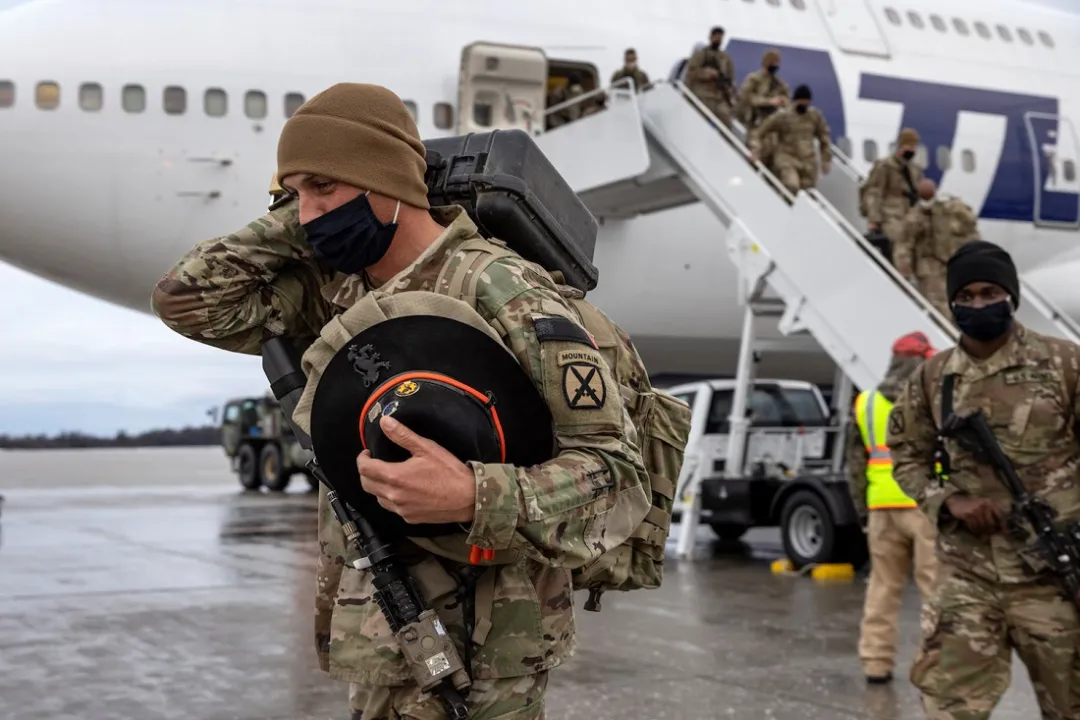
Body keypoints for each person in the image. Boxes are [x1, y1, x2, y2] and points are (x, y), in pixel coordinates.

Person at [151, 82, 653, 719]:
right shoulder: (336, 295)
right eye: (293, 194)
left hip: (485, 654)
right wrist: (300, 211)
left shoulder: (504, 290)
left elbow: (617, 478)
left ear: (386, 179)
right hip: (385, 636)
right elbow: (186, 301)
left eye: (324, 188)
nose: (309, 213)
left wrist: (475, 495)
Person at [888, 240, 1080, 719]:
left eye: (990, 293)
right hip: (967, 575)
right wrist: (949, 501)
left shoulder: (1065, 364)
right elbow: (906, 456)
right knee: (948, 707)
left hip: (1052, 577)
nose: (978, 304)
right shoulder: (932, 378)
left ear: (1010, 296)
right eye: (966, 296)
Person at [846, 331, 939, 685]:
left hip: (882, 506)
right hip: (925, 506)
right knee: (935, 591)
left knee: (882, 587)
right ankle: (933, 667)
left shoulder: (866, 403)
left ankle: (875, 662)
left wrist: (862, 510)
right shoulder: (932, 400)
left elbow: (855, 463)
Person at [898, 179, 980, 318]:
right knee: (938, 305)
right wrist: (905, 271)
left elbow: (971, 228)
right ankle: (946, 329)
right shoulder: (914, 217)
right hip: (930, 265)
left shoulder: (952, 208)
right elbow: (904, 245)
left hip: (953, 261)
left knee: (960, 300)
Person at [748, 85, 831, 195]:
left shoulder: (814, 116)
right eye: (801, 101)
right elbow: (758, 132)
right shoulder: (783, 116)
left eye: (806, 102)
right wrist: (756, 150)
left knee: (806, 194)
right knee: (791, 185)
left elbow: (824, 137)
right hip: (788, 159)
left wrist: (826, 159)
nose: (804, 104)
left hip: (808, 163)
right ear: (796, 101)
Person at [860, 128, 924, 265]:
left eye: (914, 147)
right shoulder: (885, 166)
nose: (912, 150)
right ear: (901, 145)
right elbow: (874, 193)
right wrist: (874, 220)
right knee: (897, 249)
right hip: (890, 216)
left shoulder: (915, 170)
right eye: (909, 146)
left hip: (908, 217)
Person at [685, 26, 736, 128]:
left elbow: (731, 77)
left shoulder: (725, 58)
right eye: (716, 36)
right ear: (711, 37)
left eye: (720, 37)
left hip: (719, 97)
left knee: (726, 123)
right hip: (702, 96)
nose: (718, 39)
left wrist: (730, 89)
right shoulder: (700, 54)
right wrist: (706, 73)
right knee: (699, 124)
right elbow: (691, 73)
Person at [736, 49, 789, 131]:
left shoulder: (778, 82)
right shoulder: (753, 79)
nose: (776, 65)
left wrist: (782, 100)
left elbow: (788, 99)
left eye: (777, 62)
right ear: (766, 63)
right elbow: (744, 96)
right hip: (753, 121)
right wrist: (769, 101)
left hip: (770, 123)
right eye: (774, 62)